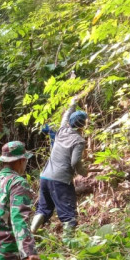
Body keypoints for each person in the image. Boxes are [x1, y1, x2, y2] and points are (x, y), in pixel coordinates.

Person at [30, 97, 88, 233]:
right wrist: (83, 171)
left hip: (45, 177)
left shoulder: (61, 130)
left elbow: (66, 116)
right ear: (83, 125)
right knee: (68, 213)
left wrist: (72, 103)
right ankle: (70, 244)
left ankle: (31, 233)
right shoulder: (79, 140)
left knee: (43, 208)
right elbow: (75, 162)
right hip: (61, 180)